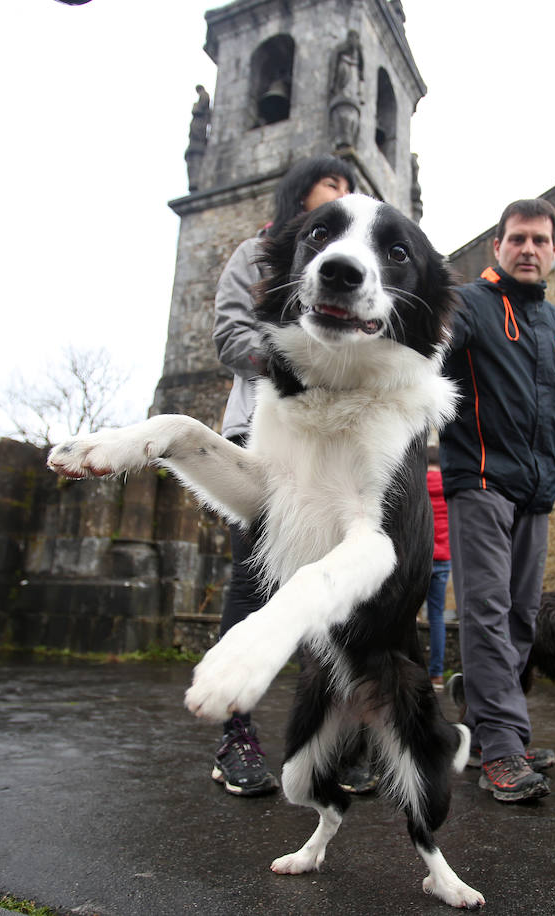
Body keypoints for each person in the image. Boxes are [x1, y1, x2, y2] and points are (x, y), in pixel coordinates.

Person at [438, 198, 555, 803]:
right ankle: (503, 747)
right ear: (497, 248)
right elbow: (426, 360)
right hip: (479, 478)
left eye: (540, 241)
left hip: (537, 491)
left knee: (522, 616)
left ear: (554, 251)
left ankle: (485, 731)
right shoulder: (469, 306)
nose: (528, 249)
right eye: (517, 239)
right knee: (485, 610)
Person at [208, 154, 356, 796]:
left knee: (326, 592)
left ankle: (322, 746)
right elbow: (228, 334)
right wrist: (293, 363)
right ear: (303, 194)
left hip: (329, 444)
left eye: (351, 190)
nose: (344, 195)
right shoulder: (258, 253)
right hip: (263, 436)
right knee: (254, 582)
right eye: (334, 185)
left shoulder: (353, 265)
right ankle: (234, 737)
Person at [424, 445, 450, 688]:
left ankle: (410, 671)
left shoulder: (419, 482)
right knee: (437, 617)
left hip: (418, 559)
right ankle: (437, 675)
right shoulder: (448, 485)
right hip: (443, 558)